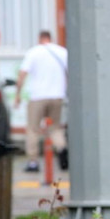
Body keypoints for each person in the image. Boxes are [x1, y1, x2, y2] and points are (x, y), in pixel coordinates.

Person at [14, 31, 68, 172]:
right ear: (51, 38)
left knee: (33, 129)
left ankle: (33, 161)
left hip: (38, 96)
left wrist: (18, 95)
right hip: (57, 95)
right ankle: (61, 148)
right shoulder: (62, 52)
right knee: (55, 127)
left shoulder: (34, 52)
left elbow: (22, 74)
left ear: (40, 38)